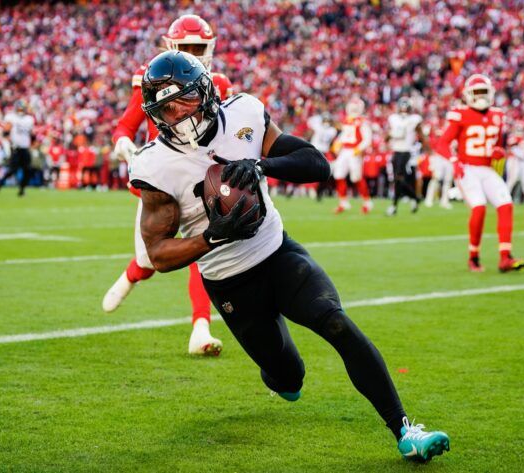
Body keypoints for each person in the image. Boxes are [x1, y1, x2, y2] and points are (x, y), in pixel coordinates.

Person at [130, 50, 450, 463]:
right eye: (166, 108)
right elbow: (158, 254)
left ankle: (405, 430)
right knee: (288, 378)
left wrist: (260, 165)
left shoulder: (243, 113)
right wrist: (211, 236)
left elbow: (317, 164)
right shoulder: (156, 164)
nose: (178, 114)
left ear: (206, 90)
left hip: (277, 252)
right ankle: (279, 371)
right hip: (229, 282)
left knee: (335, 322)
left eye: (186, 100)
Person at [103, 14, 233, 356]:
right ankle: (131, 274)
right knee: (150, 261)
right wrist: (123, 144)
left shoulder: (218, 82)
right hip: (161, 180)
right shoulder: (152, 78)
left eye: (197, 48)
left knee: (202, 250)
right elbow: (124, 126)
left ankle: (201, 329)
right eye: (186, 47)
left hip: (201, 177)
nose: (192, 54)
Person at [435, 74, 524, 272]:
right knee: (479, 208)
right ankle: (473, 257)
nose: (481, 97)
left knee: (506, 205)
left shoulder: (497, 115)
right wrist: (454, 160)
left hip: (487, 169)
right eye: (477, 93)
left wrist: (499, 153)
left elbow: (499, 148)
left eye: (484, 92)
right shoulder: (460, 114)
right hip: (467, 167)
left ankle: (505, 257)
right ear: (468, 95)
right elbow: (441, 143)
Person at [386, 97, 429, 216]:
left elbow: (421, 135)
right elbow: (387, 137)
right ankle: (414, 198)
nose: (404, 110)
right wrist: (391, 134)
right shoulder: (393, 119)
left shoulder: (414, 119)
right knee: (397, 180)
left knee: (399, 178)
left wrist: (429, 150)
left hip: (407, 152)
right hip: (396, 151)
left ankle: (395, 205)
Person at [332, 97, 373, 214]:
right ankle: (343, 202)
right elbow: (345, 135)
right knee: (338, 174)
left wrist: (358, 149)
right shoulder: (346, 120)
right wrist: (337, 143)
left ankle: (367, 202)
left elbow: (367, 139)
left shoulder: (363, 121)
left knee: (356, 177)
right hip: (345, 150)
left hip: (354, 151)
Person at [0, 100, 35, 196]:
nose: (20, 110)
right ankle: (0, 184)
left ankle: (22, 190)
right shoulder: (11, 117)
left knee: (28, 170)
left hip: (25, 148)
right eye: (19, 108)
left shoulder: (29, 119)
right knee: (12, 170)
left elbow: (31, 134)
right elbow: (5, 132)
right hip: (16, 148)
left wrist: (32, 145)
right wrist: (9, 142)